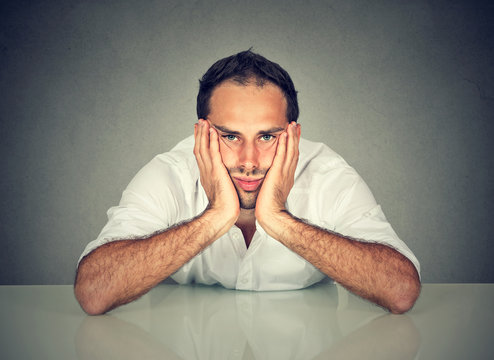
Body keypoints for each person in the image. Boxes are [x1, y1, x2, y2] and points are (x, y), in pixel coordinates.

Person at [74, 50, 421, 315]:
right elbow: (93, 292)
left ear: (294, 136)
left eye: (268, 136)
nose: (249, 161)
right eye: (230, 136)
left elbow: (401, 290)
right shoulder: (170, 173)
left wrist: (279, 220)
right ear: (202, 134)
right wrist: (215, 216)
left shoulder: (328, 175)